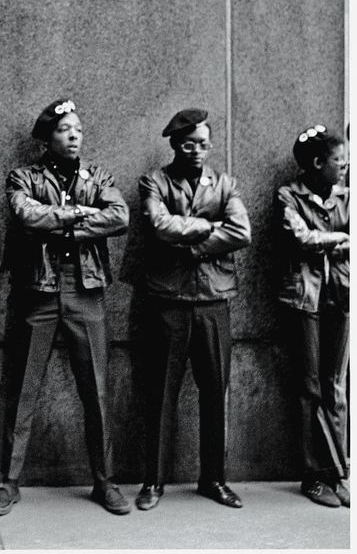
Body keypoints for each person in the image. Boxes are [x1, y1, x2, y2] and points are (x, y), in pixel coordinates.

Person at [0, 99, 131, 517]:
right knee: (23, 390)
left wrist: (64, 224)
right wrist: (82, 214)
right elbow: (27, 215)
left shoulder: (98, 176)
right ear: (48, 137)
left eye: (79, 130)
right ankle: (8, 482)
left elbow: (119, 217)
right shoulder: (24, 177)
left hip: (86, 290)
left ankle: (105, 481)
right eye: (65, 130)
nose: (74, 136)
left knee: (96, 391)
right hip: (38, 290)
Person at [136, 108, 250, 511]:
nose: (197, 151)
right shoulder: (155, 181)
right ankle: (153, 482)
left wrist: (192, 245)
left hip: (214, 302)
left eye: (203, 143)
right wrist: (208, 227)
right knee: (161, 393)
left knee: (215, 393)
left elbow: (242, 231)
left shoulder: (226, 184)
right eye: (189, 144)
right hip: (168, 301)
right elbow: (159, 226)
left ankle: (214, 479)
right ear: (175, 145)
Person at [275, 125, 349, 508]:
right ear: (318, 163)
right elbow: (300, 238)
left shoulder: (347, 196)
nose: (345, 165)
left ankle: (339, 472)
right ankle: (313, 475)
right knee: (310, 388)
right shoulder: (288, 195)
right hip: (304, 300)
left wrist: (328, 242)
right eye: (339, 160)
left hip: (341, 296)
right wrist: (340, 238)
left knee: (335, 386)